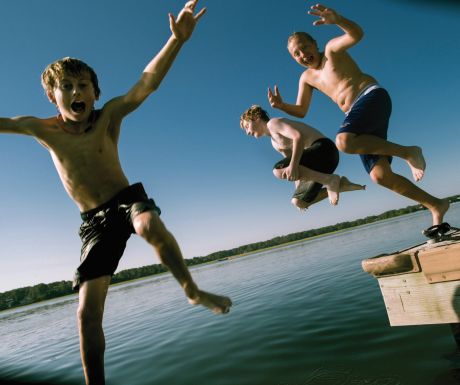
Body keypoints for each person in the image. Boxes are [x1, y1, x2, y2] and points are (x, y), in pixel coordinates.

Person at [0, 1, 232, 384]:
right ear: (52, 97)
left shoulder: (107, 116)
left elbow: (147, 83)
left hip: (126, 201)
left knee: (146, 224)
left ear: (95, 92)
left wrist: (176, 41)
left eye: (83, 85)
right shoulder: (42, 129)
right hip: (93, 224)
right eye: (67, 87)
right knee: (86, 316)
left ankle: (191, 290)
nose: (77, 92)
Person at [267, 3, 449, 228]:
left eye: (305, 47)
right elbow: (302, 110)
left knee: (344, 141)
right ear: (294, 59)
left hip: (372, 97)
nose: (303, 55)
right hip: (359, 119)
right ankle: (436, 205)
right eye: (297, 54)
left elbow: (356, 34)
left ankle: (409, 152)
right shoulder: (306, 78)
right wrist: (282, 106)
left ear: (315, 44)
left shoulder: (332, 51)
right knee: (381, 176)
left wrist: (339, 20)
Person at [240, 105, 365, 210]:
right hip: (319, 164)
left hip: (325, 150)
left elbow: (297, 137)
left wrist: (293, 166)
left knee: (277, 170)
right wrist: (299, 191)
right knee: (298, 202)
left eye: (246, 126)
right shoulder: (275, 143)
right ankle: (341, 185)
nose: (247, 132)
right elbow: (294, 165)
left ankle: (329, 181)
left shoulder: (273, 124)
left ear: (256, 118)